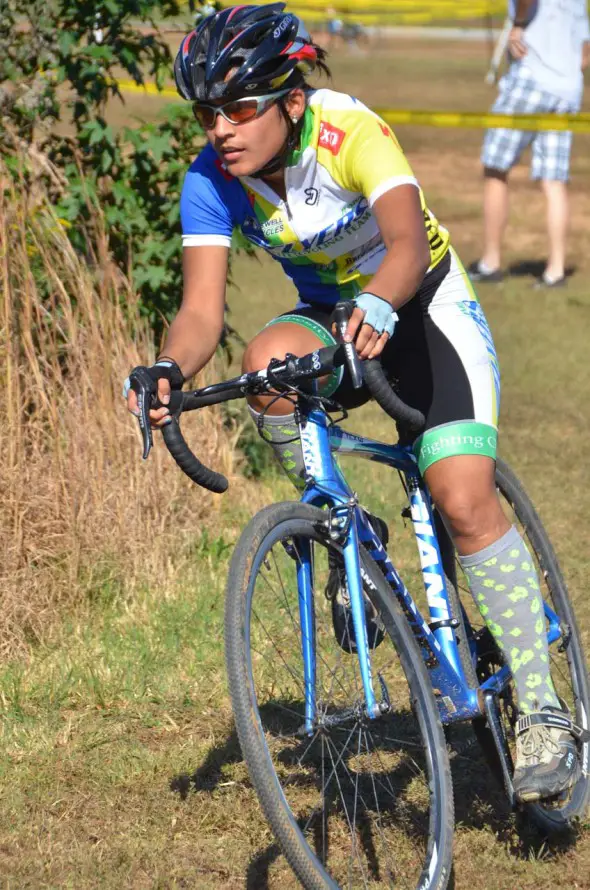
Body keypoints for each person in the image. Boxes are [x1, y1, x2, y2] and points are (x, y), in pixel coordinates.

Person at [125, 3, 582, 802]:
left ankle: (544, 715)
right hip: (337, 321)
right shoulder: (211, 180)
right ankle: (346, 527)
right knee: (264, 362)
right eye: (208, 113)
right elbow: (201, 310)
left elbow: (405, 242)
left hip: (421, 304)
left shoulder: (347, 130)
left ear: (290, 103)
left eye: (239, 109)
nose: (222, 129)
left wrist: (379, 302)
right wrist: (166, 366)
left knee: (462, 496)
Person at [469, 0, 590, 288]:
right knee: (554, 180)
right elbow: (585, 52)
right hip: (568, 88)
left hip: (532, 79)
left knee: (495, 168)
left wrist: (518, 26)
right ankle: (555, 271)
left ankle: (490, 263)